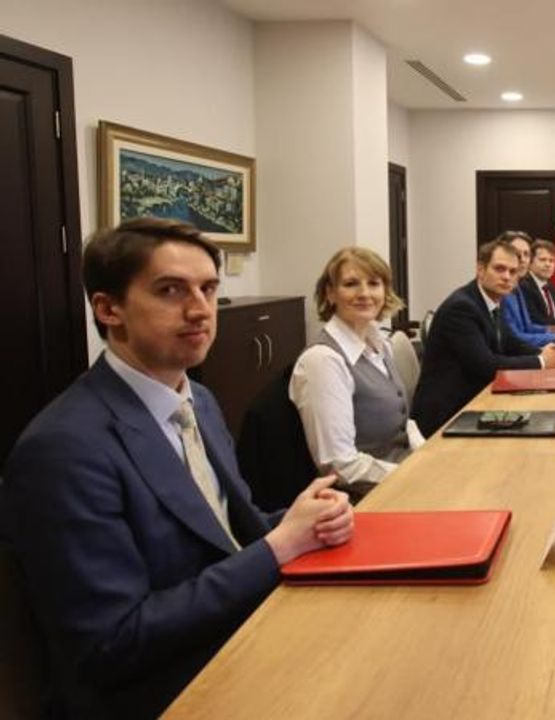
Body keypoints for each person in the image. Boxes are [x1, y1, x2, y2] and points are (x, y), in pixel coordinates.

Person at [0, 218, 354, 718]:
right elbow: (112, 643)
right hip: (167, 691)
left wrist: (304, 519)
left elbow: (223, 533)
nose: (200, 309)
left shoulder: (198, 400)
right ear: (108, 309)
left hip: (244, 636)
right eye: (170, 290)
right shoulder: (62, 448)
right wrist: (279, 546)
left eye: (208, 289)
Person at [411, 238, 555, 437]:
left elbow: (509, 342)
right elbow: (485, 365)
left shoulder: (494, 299)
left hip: (477, 398)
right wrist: (541, 361)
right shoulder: (462, 307)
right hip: (448, 414)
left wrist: (544, 352)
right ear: (480, 269)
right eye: (499, 269)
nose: (507, 277)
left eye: (513, 272)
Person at [290, 247, 416, 487]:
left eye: (374, 283)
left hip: (402, 473)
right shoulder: (324, 361)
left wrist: (428, 456)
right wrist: (413, 475)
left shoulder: (380, 343)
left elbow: (404, 424)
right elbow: (340, 466)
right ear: (330, 293)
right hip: (369, 494)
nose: (364, 293)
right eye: (350, 284)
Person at [498, 231, 555, 347]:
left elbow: (529, 327)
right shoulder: (513, 288)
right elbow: (514, 337)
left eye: (526, 254)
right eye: (517, 253)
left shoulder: (518, 287)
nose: (523, 259)